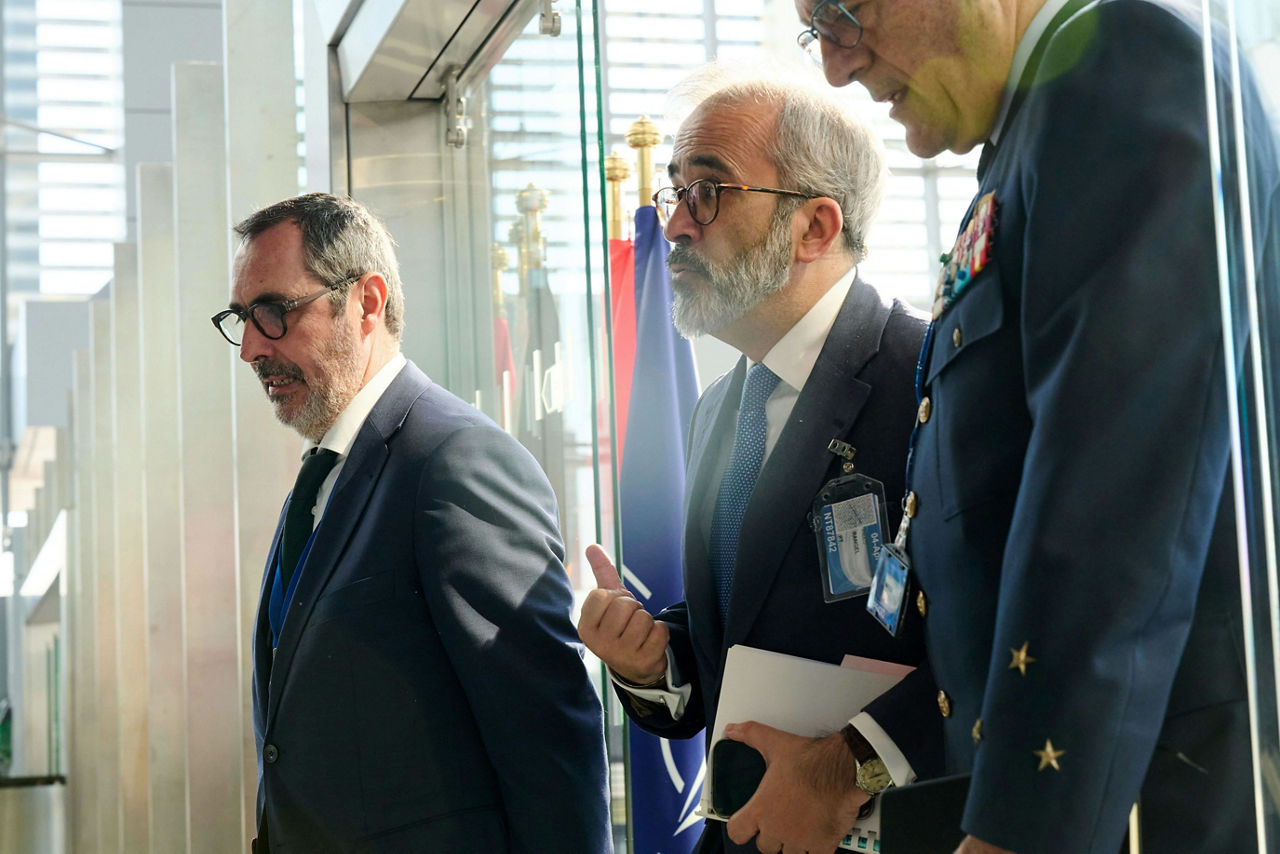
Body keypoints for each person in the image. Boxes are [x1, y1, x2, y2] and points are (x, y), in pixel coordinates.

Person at [781, 0, 1280, 851]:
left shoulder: (1123, 60)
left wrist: (1024, 827)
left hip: (1142, 803)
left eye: (844, 10)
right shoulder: (1043, 111)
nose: (835, 63)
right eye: (814, 30)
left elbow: (1114, 509)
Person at [578, 70, 943, 854]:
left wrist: (850, 766)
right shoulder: (721, 406)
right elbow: (738, 645)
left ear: (815, 226)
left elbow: (1008, 642)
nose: (673, 224)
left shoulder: (929, 380)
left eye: (706, 191)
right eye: (673, 192)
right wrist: (654, 661)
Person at [214, 193, 611, 853]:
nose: (251, 347)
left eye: (274, 313)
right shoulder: (322, 477)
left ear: (367, 302)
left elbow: (548, 740)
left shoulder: (455, 462)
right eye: (240, 318)